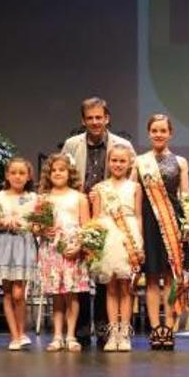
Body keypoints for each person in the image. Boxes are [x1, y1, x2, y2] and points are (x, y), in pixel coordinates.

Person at [62, 96, 133, 346]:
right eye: (90, 118)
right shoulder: (72, 145)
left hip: (109, 217)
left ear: (107, 118)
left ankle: (106, 332)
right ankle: (80, 332)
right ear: (83, 120)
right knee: (80, 271)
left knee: (107, 272)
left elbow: (129, 183)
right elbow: (62, 173)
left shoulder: (122, 145)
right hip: (78, 212)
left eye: (99, 117)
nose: (95, 122)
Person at [135, 114, 189, 350]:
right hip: (148, 221)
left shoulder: (181, 162)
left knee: (170, 278)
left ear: (170, 133)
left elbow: (185, 195)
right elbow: (134, 195)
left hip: (172, 222)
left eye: (163, 130)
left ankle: (169, 327)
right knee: (151, 279)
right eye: (154, 130)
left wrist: (188, 223)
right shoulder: (139, 162)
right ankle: (155, 328)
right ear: (149, 133)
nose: (158, 134)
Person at [36, 153, 90, 352]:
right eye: (54, 170)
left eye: (62, 169)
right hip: (51, 250)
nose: (58, 173)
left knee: (71, 294)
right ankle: (57, 335)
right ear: (48, 174)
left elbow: (86, 227)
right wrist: (41, 229)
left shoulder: (79, 197)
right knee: (56, 295)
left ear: (70, 173)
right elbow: (35, 226)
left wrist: (79, 247)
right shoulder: (44, 198)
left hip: (72, 250)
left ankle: (71, 335)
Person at [91, 143, 143, 352]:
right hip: (108, 235)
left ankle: (124, 333)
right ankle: (113, 334)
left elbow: (138, 215)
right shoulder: (100, 188)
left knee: (126, 287)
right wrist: (93, 243)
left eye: (122, 160)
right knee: (111, 286)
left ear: (130, 163)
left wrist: (138, 242)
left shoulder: (135, 187)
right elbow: (95, 218)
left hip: (128, 236)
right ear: (108, 162)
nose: (118, 164)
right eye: (114, 160)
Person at [0, 157, 38, 351]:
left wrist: (28, 225)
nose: (17, 176)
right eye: (13, 172)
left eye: (22, 173)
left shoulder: (33, 198)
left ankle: (22, 332)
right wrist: (2, 222)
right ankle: (14, 335)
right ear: (7, 175)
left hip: (24, 244)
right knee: (8, 292)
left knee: (19, 293)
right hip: (5, 243)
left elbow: (38, 224)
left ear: (28, 176)